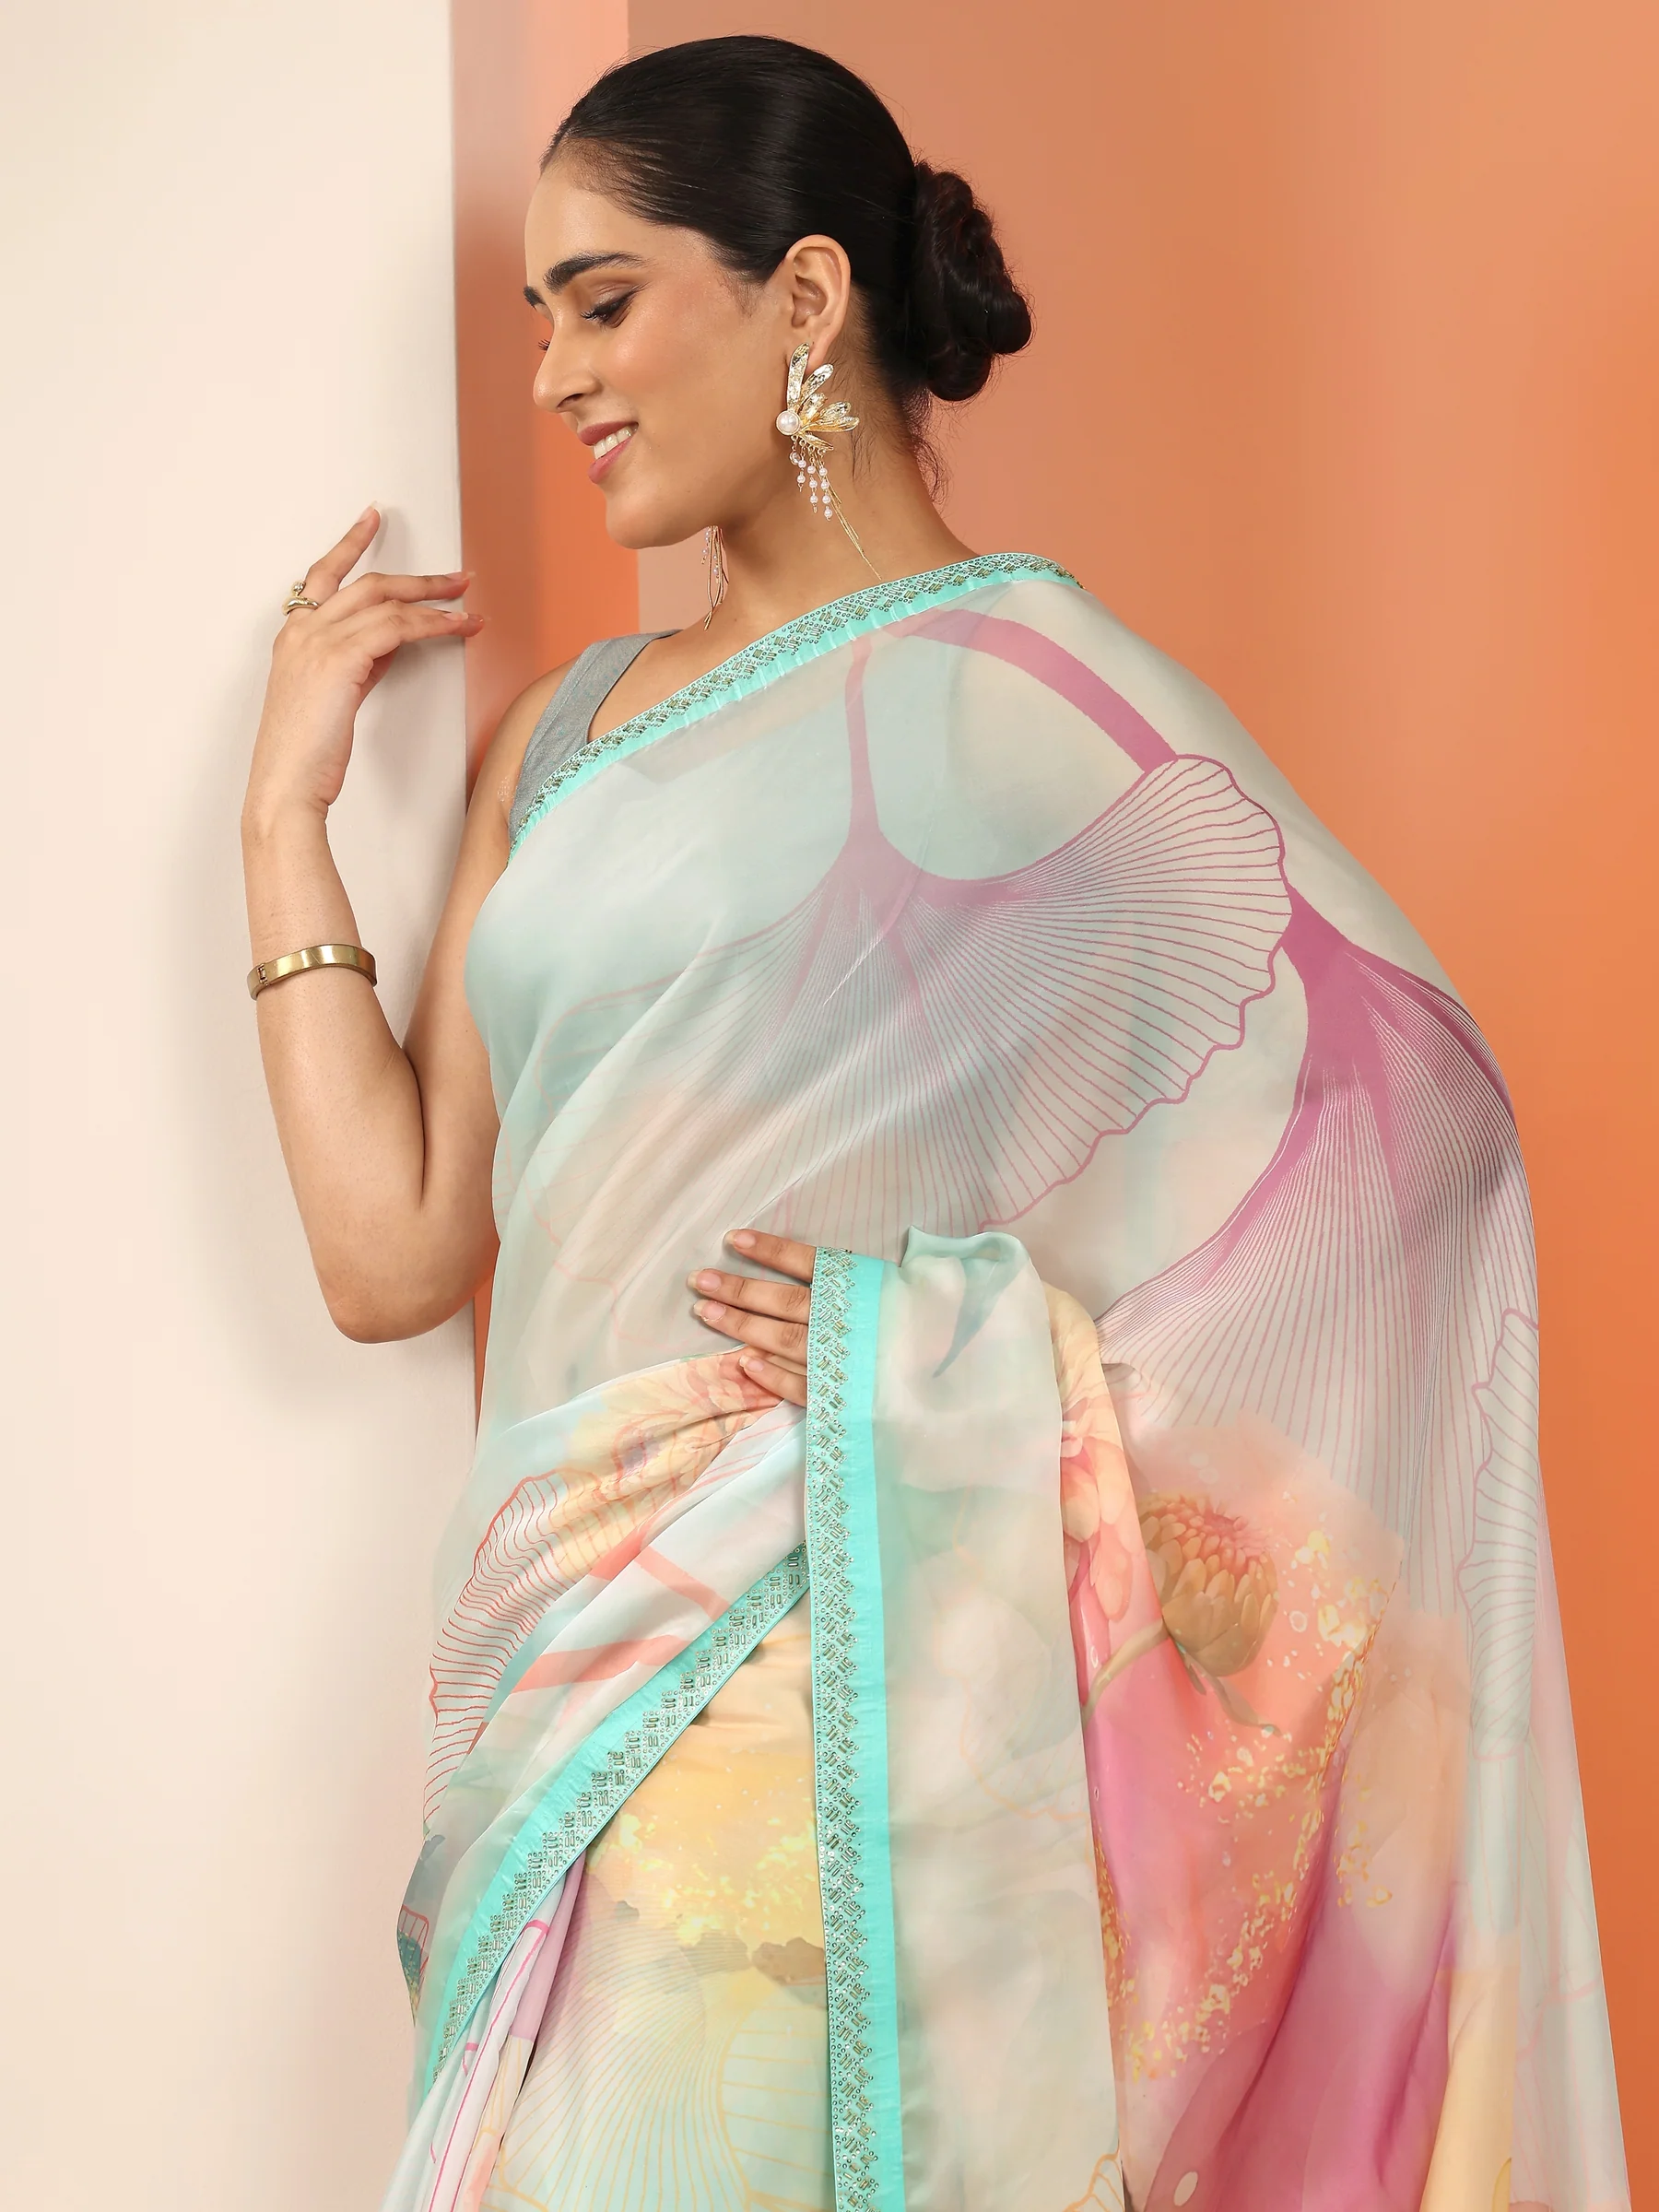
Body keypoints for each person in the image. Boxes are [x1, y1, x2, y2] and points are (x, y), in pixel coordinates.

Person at [241, 33, 1627, 2212]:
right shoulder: (562, 742)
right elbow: (390, 1250)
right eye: (537, 320)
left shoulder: (1024, 688)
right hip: (551, 1705)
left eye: (604, 302)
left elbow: (1429, 1135)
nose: (554, 376)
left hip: (832, 1716)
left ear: (801, 298)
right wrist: (281, 824)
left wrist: (934, 1359)